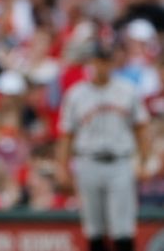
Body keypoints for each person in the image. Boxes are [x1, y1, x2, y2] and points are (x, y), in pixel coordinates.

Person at [56, 45, 150, 251]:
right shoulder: (76, 94)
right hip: (88, 161)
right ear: (91, 63)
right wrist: (62, 168)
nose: (102, 66)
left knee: (123, 228)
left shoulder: (127, 90)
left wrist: (144, 160)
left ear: (112, 63)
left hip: (120, 161)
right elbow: (66, 135)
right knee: (93, 228)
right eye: (98, 61)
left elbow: (142, 129)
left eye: (106, 61)